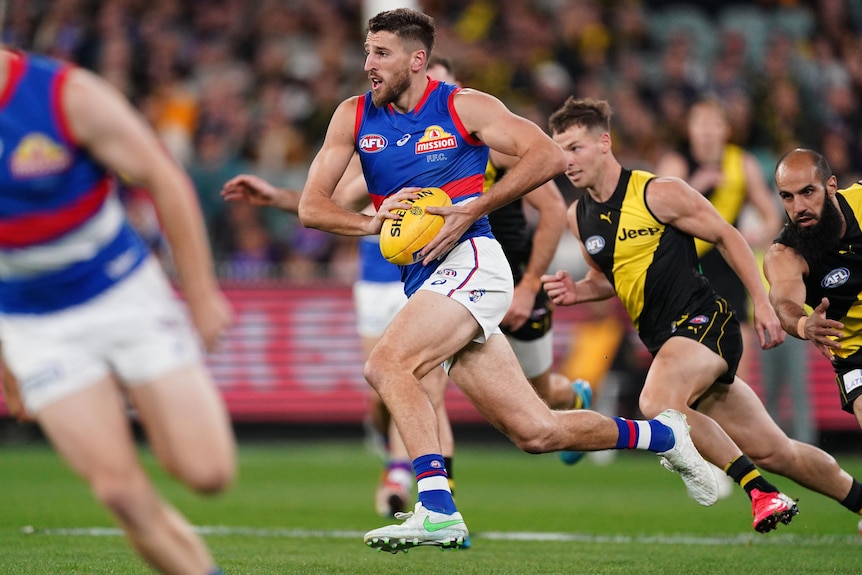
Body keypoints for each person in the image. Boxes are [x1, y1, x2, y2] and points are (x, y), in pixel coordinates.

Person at [295, 8, 716, 553]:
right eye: (367, 52)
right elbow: (311, 207)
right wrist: (371, 222)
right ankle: (664, 434)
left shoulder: (462, 106)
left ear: (417, 60)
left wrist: (474, 207)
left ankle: (437, 509)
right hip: (425, 279)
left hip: (473, 261)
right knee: (536, 431)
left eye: (382, 53)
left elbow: (545, 153)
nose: (368, 64)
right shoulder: (351, 117)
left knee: (387, 364)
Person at [541, 96, 862, 534]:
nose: (566, 160)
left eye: (574, 148)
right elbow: (609, 277)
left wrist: (763, 303)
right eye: (560, 150)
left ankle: (759, 491)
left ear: (604, 143)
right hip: (668, 341)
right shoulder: (579, 217)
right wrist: (578, 291)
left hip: (704, 321)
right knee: (777, 451)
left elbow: (727, 235)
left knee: (655, 403)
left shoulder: (658, 191)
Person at [0, 48, 235, 575]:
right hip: (36, 326)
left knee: (207, 472)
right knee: (118, 492)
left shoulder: (66, 95)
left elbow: (163, 177)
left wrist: (201, 296)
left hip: (122, 295)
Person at [221, 159, 456, 521]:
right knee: (381, 391)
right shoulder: (374, 152)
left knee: (416, 381)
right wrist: (276, 198)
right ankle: (387, 447)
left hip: (427, 277)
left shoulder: (441, 146)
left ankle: (399, 476)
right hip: (376, 284)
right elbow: (330, 205)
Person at [427, 55, 592, 465]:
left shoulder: (489, 147)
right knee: (420, 375)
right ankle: (437, 496)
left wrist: (530, 285)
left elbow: (554, 211)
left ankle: (570, 397)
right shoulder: (410, 153)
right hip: (450, 282)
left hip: (511, 280)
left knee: (538, 397)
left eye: (439, 85)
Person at [655, 95, 785, 495]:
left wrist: (759, 232)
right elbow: (654, 212)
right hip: (682, 273)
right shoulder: (676, 164)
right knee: (682, 379)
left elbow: (770, 211)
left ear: (726, 130)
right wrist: (699, 187)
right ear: (690, 129)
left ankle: (728, 465)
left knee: (733, 377)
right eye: (701, 124)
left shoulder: (740, 163)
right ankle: (696, 454)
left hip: (726, 275)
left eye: (715, 124)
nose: (708, 132)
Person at [765, 149, 862, 434]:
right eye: (788, 196)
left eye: (808, 192)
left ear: (831, 186)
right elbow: (784, 301)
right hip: (856, 357)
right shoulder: (785, 254)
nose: (799, 207)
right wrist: (805, 324)